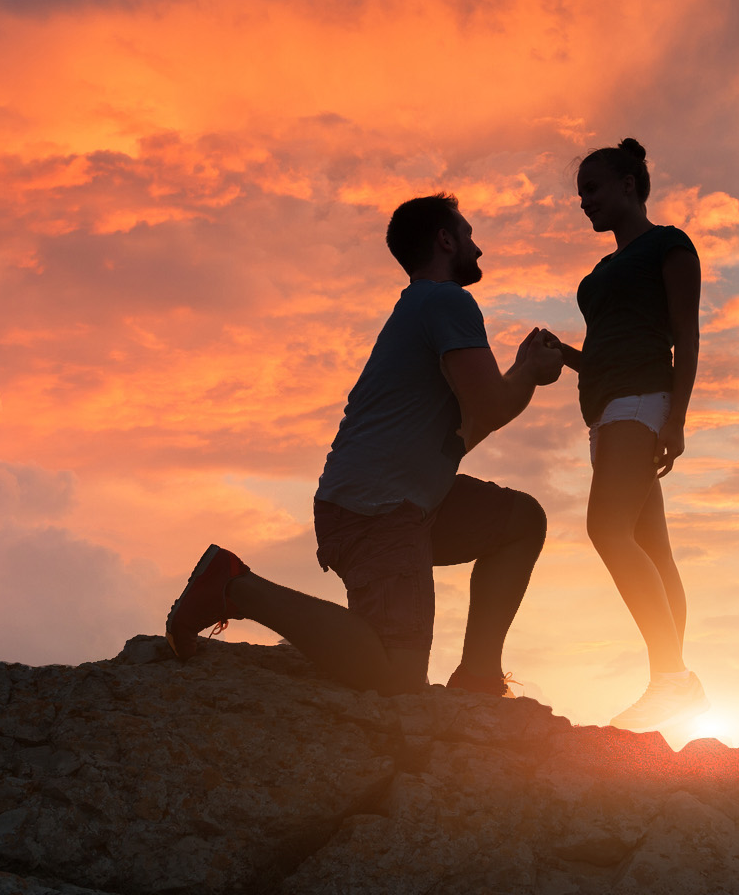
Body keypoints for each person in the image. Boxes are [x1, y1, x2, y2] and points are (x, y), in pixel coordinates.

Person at [163, 193, 566, 696]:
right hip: (376, 510)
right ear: (445, 239)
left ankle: (479, 676)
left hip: (405, 503)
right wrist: (529, 375)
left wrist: (520, 373)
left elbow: (463, 432)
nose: (477, 247)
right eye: (468, 234)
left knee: (520, 521)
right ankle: (232, 586)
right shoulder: (446, 300)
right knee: (396, 678)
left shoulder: (425, 308)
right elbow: (489, 409)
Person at [549, 139, 708, 732]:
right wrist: (561, 353)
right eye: (580, 194)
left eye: (591, 189)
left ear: (626, 183)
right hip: (606, 410)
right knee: (655, 552)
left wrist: (677, 418)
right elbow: (601, 356)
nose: (584, 202)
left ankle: (672, 681)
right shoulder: (598, 276)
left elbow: (685, 338)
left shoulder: (669, 245)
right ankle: (674, 683)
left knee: (605, 529)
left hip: (643, 404)